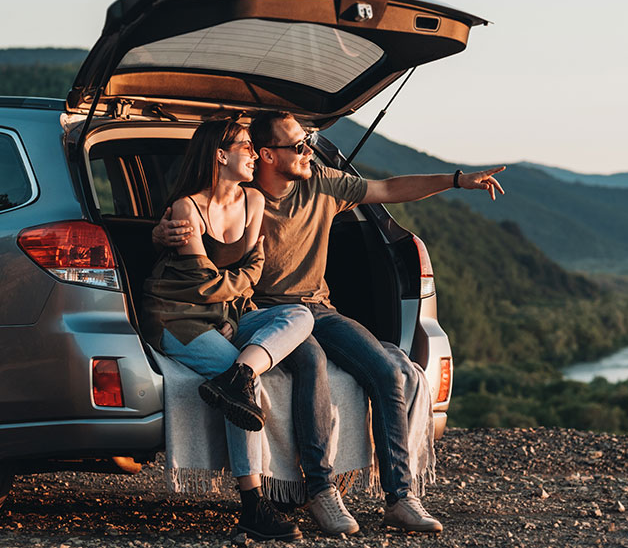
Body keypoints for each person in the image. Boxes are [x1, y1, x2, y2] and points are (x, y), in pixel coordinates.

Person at [155, 111, 506, 533]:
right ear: (266, 155)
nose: (309, 151)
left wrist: (457, 180)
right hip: (263, 313)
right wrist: (160, 233)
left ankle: (401, 497)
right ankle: (322, 491)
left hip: (317, 307)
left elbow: (388, 188)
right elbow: (202, 233)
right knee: (311, 362)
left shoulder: (320, 182)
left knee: (387, 370)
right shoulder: (242, 191)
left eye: (307, 143)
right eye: (298, 145)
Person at [140, 119, 333, 542]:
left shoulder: (254, 200)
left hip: (226, 313)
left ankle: (240, 374)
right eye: (245, 146)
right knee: (247, 393)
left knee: (300, 316)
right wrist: (243, 284)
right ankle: (253, 505)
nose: (253, 153)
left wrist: (232, 314)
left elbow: (246, 277)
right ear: (220, 155)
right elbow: (203, 285)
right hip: (178, 316)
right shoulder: (186, 208)